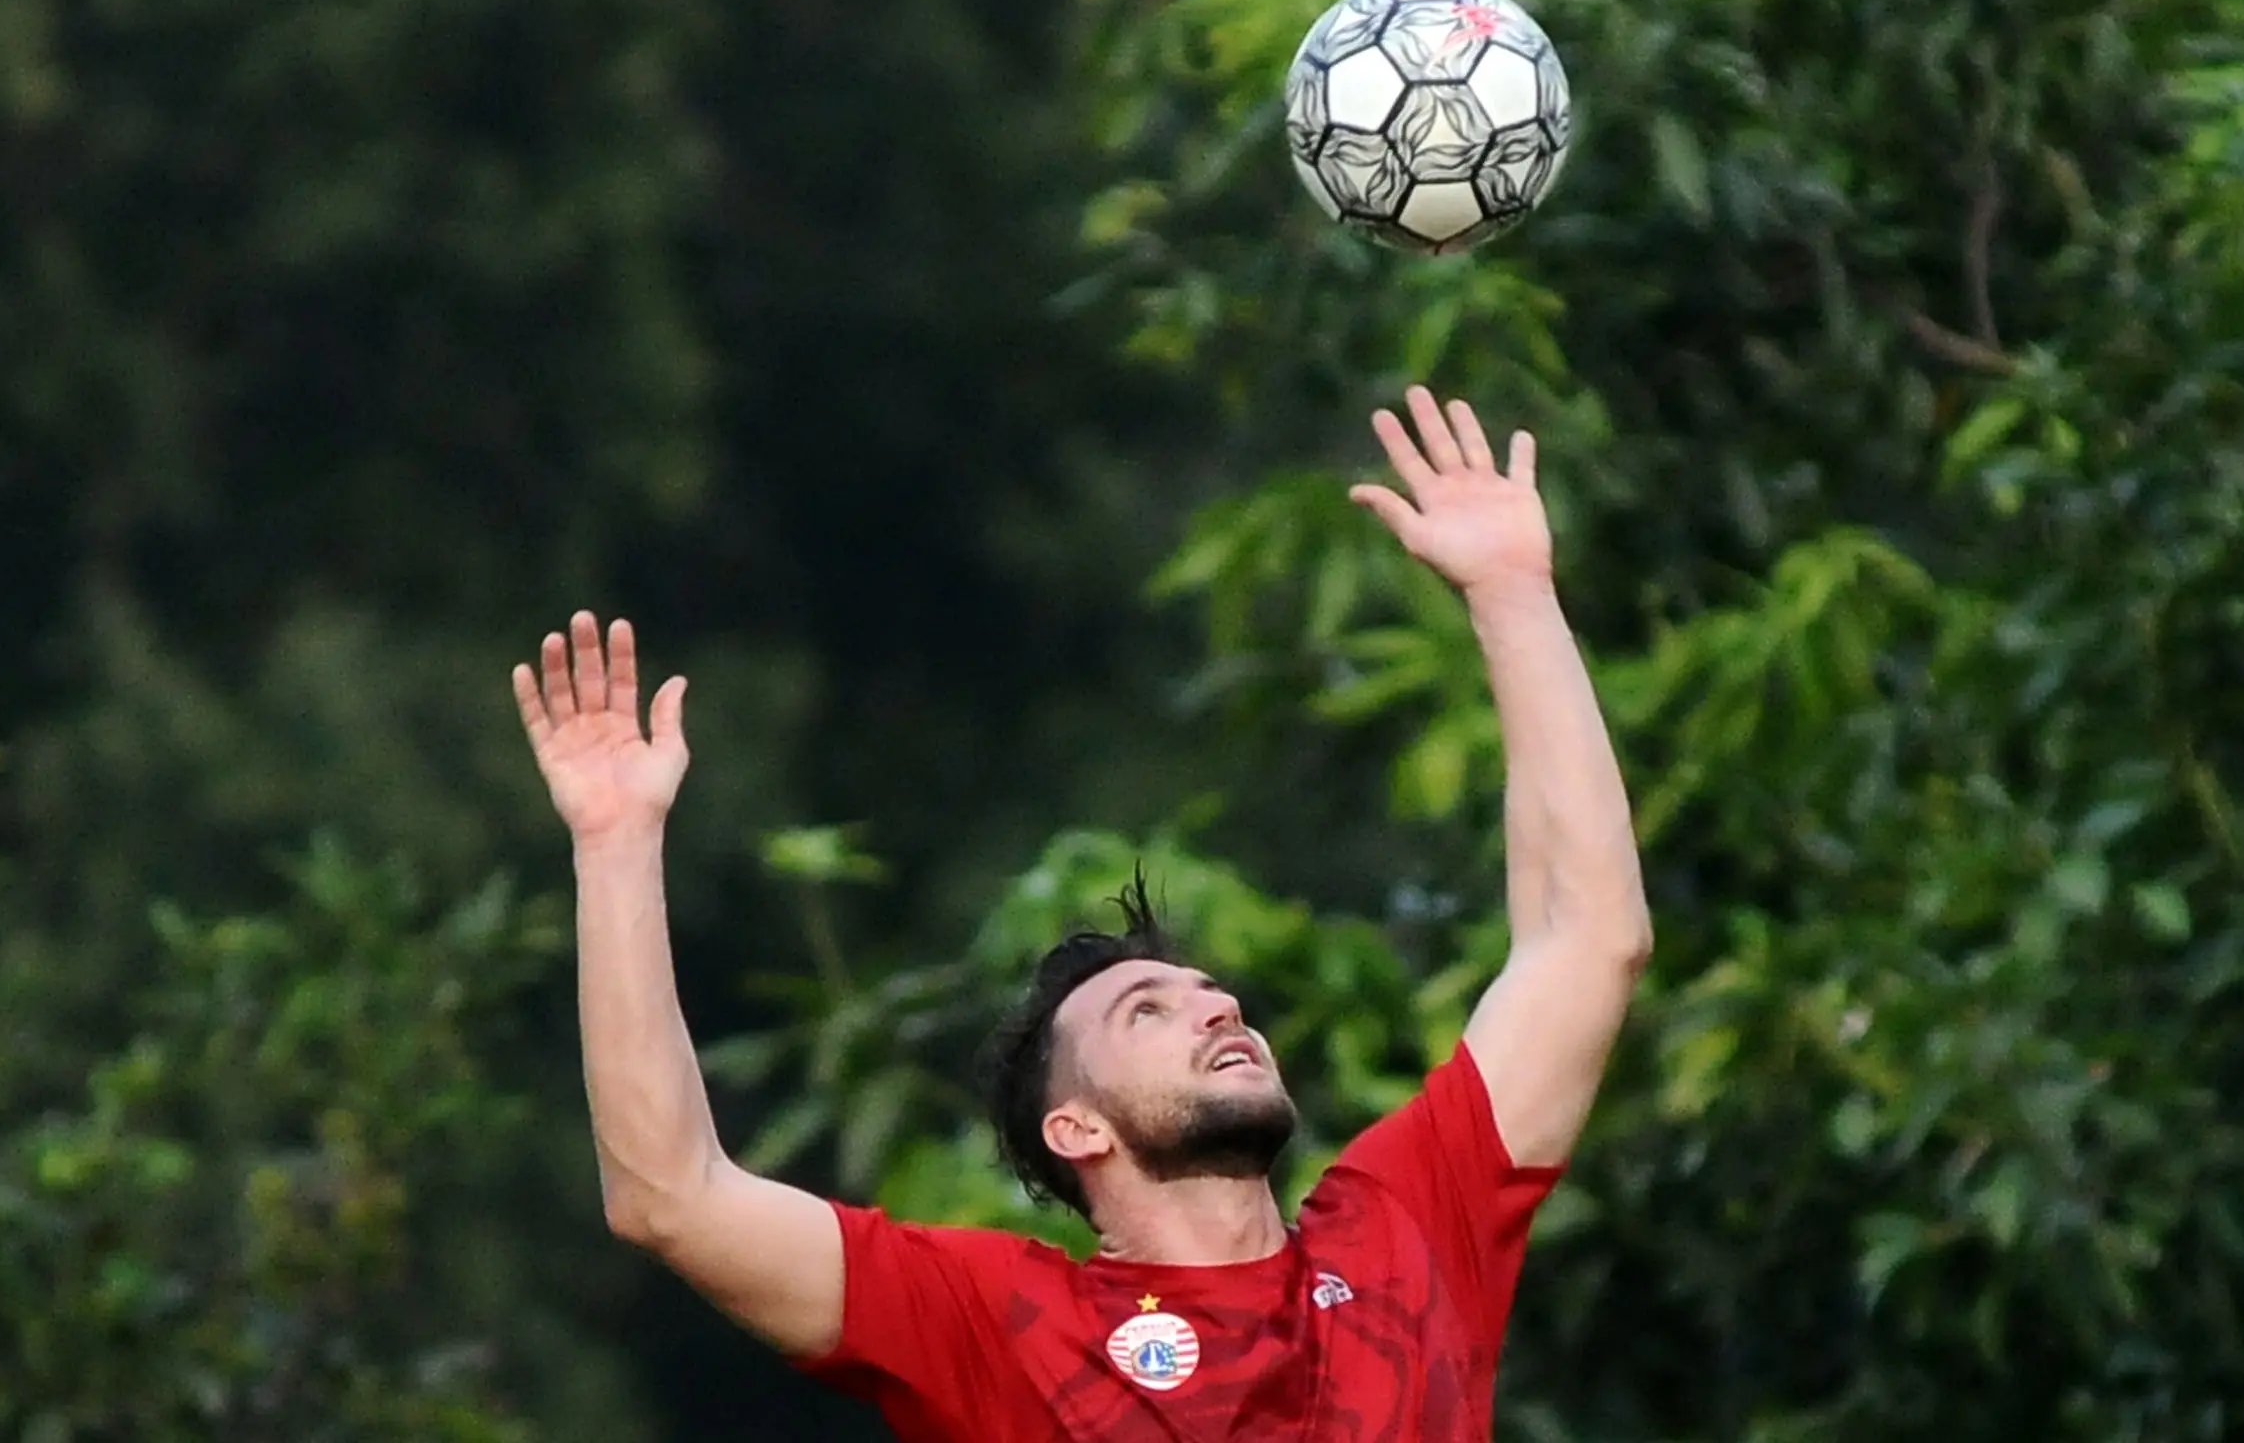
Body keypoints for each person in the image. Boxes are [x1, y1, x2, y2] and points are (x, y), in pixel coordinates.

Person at [513, 388, 1650, 1442]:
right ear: (1076, 1130)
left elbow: (1589, 940)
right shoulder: (996, 1317)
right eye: (1150, 1011)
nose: (1219, 1010)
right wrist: (616, 847)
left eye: (1213, 995)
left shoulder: (1400, 1237)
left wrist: (1512, 594)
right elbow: (670, 1195)